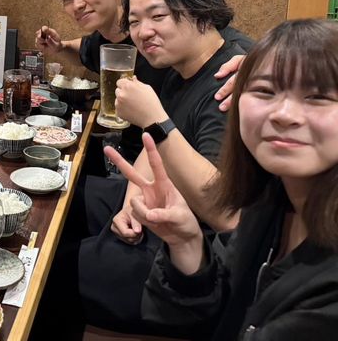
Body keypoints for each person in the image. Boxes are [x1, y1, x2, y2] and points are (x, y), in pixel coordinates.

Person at [33, 0, 247, 337]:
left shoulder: (229, 83)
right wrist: (131, 202)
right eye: (134, 22)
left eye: (157, 16)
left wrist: (155, 120)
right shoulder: (180, 69)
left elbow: (223, 211)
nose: (143, 32)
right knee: (64, 200)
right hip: (165, 208)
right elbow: (153, 150)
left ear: (201, 12)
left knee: (49, 275)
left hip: (203, 259)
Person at [108, 19, 338, 339]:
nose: (283, 114)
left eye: (317, 97)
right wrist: (187, 242)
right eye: (265, 91)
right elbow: (211, 313)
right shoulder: (270, 199)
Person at [35, 0, 250, 163]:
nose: (77, 5)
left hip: (164, 161)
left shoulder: (187, 48)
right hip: (138, 156)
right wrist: (60, 47)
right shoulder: (102, 43)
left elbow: (226, 41)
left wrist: (259, 66)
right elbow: (82, 49)